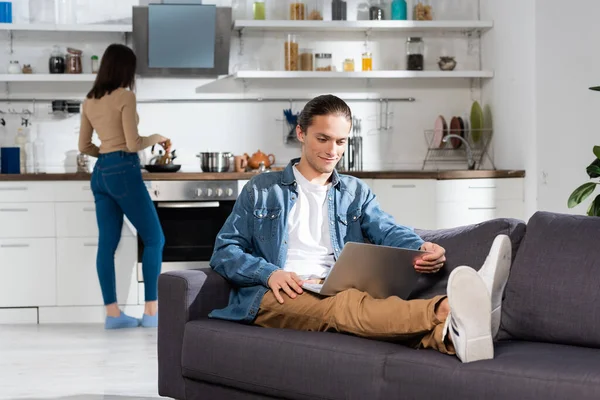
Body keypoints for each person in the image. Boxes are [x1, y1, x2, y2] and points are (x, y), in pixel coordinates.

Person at [209, 94, 512, 363]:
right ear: (301, 133)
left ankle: (453, 339)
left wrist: (419, 247)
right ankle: (447, 309)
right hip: (276, 293)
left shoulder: (355, 192)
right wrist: (269, 272)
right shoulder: (262, 189)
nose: (332, 150)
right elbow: (225, 251)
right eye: (323, 139)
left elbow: (388, 229)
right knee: (346, 306)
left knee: (355, 306)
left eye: (341, 142)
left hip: (332, 285)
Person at [78, 44, 169, 330]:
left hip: (100, 173)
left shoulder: (89, 100)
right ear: (125, 69)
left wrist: (106, 154)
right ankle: (152, 313)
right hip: (124, 171)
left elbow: (83, 146)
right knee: (155, 239)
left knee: (107, 244)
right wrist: (158, 136)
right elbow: (132, 143)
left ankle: (113, 314)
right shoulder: (125, 96)